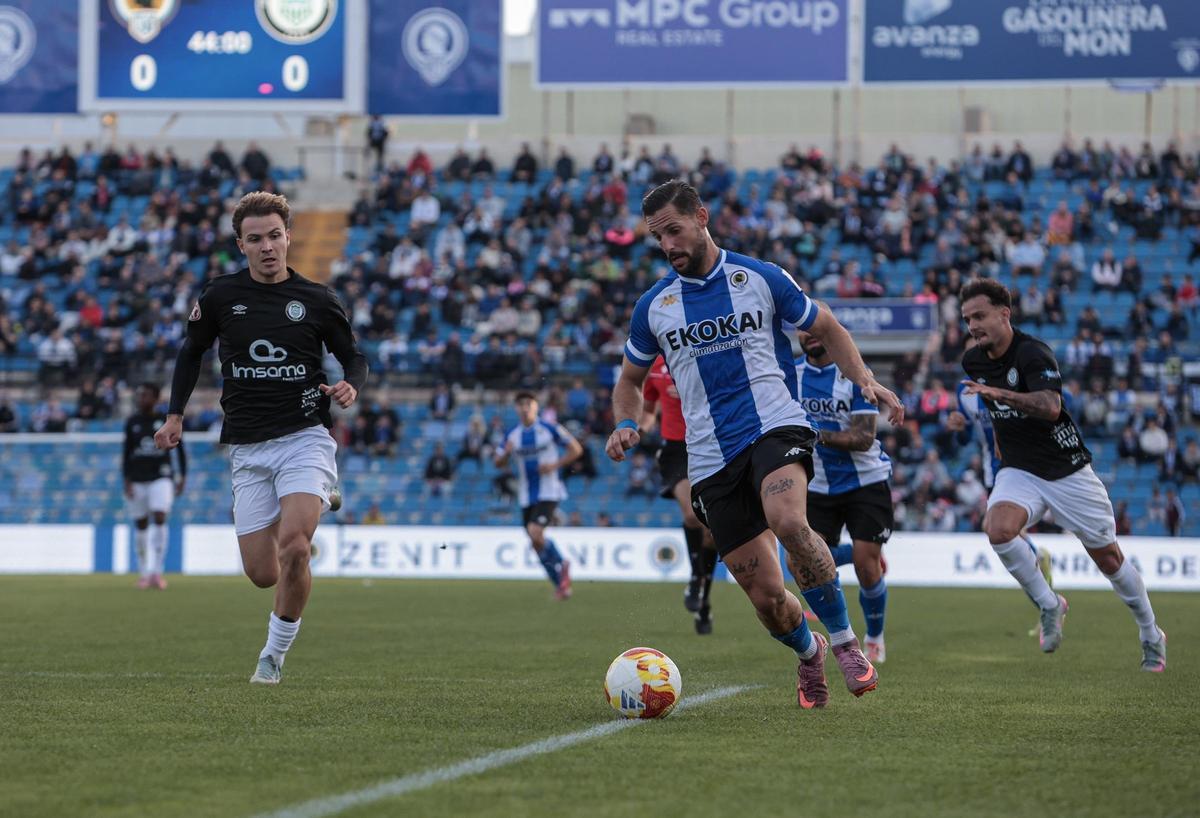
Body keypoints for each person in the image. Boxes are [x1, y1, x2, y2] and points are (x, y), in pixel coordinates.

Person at [607, 180, 905, 710]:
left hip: (774, 427)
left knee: (790, 521)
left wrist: (865, 381)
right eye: (658, 238)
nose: (669, 245)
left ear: (702, 217)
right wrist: (625, 422)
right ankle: (808, 651)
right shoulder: (654, 306)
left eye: (674, 230)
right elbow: (629, 381)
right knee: (767, 598)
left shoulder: (760, 278)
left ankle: (844, 642)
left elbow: (829, 327)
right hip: (708, 457)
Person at [154, 192, 368, 685]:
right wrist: (175, 415)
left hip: (304, 437)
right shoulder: (220, 297)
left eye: (275, 235)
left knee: (296, 548)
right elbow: (191, 353)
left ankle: (272, 656)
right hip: (248, 448)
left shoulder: (317, 299)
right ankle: (319, 496)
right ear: (240, 244)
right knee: (263, 573)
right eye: (256, 239)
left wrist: (351, 382)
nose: (268, 246)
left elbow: (353, 356)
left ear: (289, 236)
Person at [959, 278, 1165, 672]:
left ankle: (1151, 633)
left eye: (980, 316)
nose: (973, 326)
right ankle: (1050, 603)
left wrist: (1003, 395)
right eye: (968, 319)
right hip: (1020, 470)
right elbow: (989, 412)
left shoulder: (1034, 353)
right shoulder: (974, 361)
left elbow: (1050, 407)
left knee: (1108, 559)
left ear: (1005, 313)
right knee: (998, 528)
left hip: (1067, 470)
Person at [794, 332, 892, 664]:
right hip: (818, 485)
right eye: (803, 332)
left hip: (866, 482)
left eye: (814, 330)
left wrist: (815, 434)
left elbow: (864, 438)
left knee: (867, 567)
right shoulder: (791, 376)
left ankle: (875, 637)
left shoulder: (856, 376)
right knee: (807, 560)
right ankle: (840, 636)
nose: (809, 336)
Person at [640, 355, 718, 635]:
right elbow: (649, 409)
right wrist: (639, 428)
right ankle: (697, 577)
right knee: (691, 514)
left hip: (710, 444)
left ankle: (703, 597)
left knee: (712, 534)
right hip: (676, 450)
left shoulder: (703, 357)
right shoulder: (656, 368)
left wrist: (690, 392)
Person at [494, 392, 582, 600]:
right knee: (535, 542)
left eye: (529, 403)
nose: (525, 408)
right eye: (521, 404)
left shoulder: (549, 428)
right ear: (516, 408)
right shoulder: (512, 435)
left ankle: (563, 564)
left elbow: (576, 449)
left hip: (549, 491)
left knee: (535, 532)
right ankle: (561, 585)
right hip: (526, 495)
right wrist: (505, 454)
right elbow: (498, 463)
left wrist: (554, 465)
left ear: (536, 406)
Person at [123, 383, 186, 590]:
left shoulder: (165, 421)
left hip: (161, 476)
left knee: (159, 516)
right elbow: (126, 453)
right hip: (137, 478)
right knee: (140, 524)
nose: (142, 399)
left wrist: (182, 476)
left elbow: (180, 450)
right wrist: (127, 480)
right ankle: (143, 572)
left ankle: (156, 572)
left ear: (156, 398)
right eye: (140, 395)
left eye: (146, 396)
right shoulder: (132, 422)